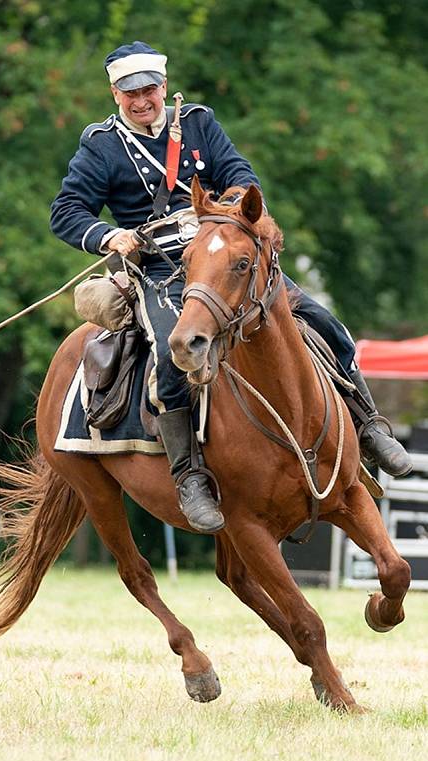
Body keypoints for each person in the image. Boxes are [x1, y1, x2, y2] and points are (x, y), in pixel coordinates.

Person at [50, 41, 412, 533]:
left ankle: (367, 426)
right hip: (159, 271)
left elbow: (240, 174)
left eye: (149, 89)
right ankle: (189, 475)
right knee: (170, 353)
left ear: (162, 86)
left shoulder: (197, 123)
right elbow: (66, 212)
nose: (141, 100)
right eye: (129, 92)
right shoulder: (101, 145)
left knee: (326, 322)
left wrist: (229, 211)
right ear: (115, 93)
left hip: (223, 258)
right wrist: (110, 234)